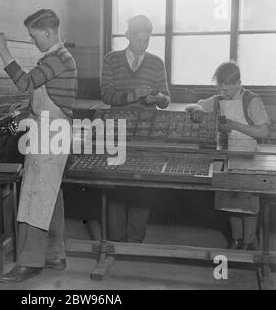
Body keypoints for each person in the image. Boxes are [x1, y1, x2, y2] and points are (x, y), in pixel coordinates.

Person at [0, 9, 78, 283]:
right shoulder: (58, 58)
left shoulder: (58, 59)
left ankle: (28, 264)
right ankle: (53, 254)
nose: (32, 41)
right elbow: (45, 94)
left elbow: (24, 82)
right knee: (50, 194)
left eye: (34, 35)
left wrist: (3, 50)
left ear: (49, 32)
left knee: (33, 197)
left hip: (51, 135)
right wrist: (29, 110)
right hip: (51, 130)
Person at [101, 15, 170, 243]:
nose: (143, 45)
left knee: (143, 187)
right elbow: (106, 95)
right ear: (128, 36)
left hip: (146, 134)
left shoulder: (157, 63)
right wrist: (132, 95)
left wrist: (158, 97)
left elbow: (167, 100)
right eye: (139, 40)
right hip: (117, 130)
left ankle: (135, 243)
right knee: (115, 187)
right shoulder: (111, 60)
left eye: (147, 41)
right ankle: (115, 242)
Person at [186, 61, 269, 250]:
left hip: (248, 156)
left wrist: (233, 125)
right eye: (219, 88)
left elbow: (263, 132)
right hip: (225, 153)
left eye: (226, 89)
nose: (222, 93)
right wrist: (198, 110)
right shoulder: (218, 99)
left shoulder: (251, 100)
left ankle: (248, 242)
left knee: (247, 204)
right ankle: (236, 240)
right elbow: (193, 105)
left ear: (237, 83)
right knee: (229, 202)